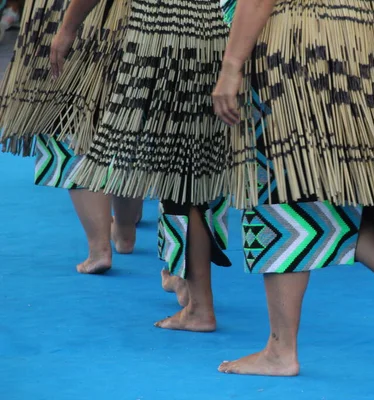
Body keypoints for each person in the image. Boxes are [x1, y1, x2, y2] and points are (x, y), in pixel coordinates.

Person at [212, 0, 374, 376]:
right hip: (362, 35)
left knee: (281, 188)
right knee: (328, 186)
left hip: (294, 43)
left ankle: (280, 350)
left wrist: (231, 67)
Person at [48, 0, 234, 330]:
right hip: (217, 33)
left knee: (177, 171)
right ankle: (182, 283)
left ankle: (196, 303)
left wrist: (68, 27)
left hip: (161, 37)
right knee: (193, 171)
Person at [0, 0, 143, 275]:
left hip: (71, 12)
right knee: (125, 117)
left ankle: (99, 247)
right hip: (135, 15)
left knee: (69, 121)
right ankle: (125, 230)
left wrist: (68, 27)